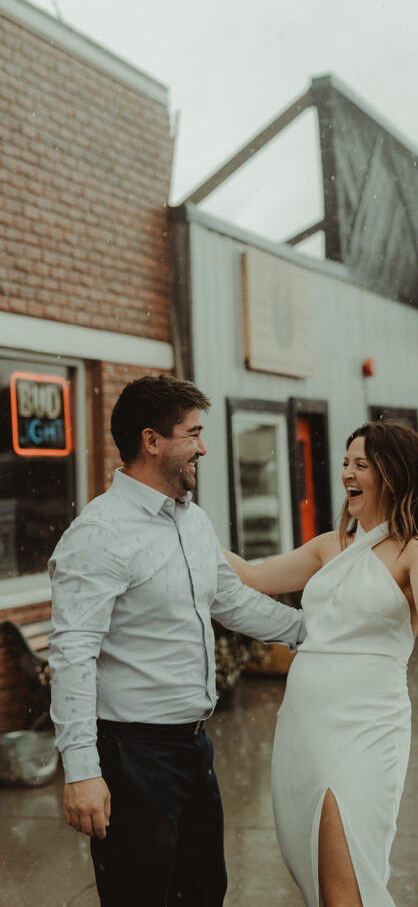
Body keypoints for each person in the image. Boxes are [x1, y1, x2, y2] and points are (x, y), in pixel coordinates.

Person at [48, 375, 306, 907]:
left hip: (193, 748)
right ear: (152, 441)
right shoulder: (100, 533)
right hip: (130, 755)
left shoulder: (193, 522)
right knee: (142, 897)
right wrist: (81, 772)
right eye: (194, 434)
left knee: (204, 891)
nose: (204, 448)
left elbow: (230, 600)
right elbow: (73, 653)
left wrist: (312, 633)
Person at [225, 421, 418, 907]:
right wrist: (181, 525)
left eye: (361, 465)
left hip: (366, 728)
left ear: (392, 475)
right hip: (305, 727)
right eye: (346, 463)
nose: (348, 472)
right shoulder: (331, 546)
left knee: (349, 881)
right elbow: (251, 575)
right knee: (323, 884)